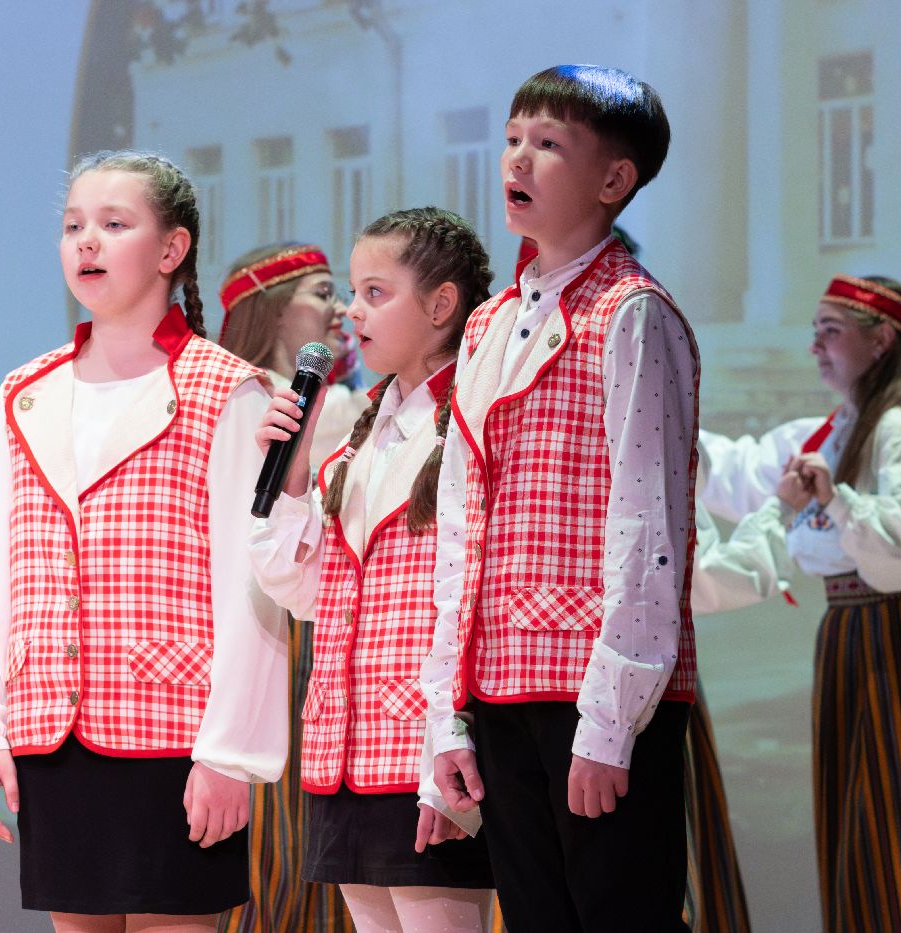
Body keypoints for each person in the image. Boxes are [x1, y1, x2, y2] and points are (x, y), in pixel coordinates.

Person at [0, 150, 288, 933]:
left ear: (172, 248)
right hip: (53, 731)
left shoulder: (225, 388)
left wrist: (229, 752)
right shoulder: (26, 391)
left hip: (176, 733)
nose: (86, 241)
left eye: (113, 223)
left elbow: (250, 587)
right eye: (74, 225)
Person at [419, 65, 699, 931]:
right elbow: (460, 523)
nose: (518, 158)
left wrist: (611, 721)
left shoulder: (632, 313)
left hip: (595, 689)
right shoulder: (489, 322)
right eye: (512, 139)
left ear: (614, 179)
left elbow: (649, 523)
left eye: (547, 143)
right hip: (498, 684)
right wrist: (445, 713)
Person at [250, 207, 496, 932]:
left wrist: (452, 743)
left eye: (375, 293)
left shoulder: (476, 426)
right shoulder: (360, 441)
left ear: (442, 304)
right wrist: (293, 475)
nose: (352, 311)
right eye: (353, 292)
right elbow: (301, 591)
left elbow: (474, 598)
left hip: (429, 755)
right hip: (347, 751)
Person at [699, 273, 901, 932]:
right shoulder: (835, 429)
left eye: (830, 332)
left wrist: (839, 500)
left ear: (881, 340)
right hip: (851, 633)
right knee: (861, 809)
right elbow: (743, 471)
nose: (815, 347)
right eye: (813, 333)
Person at [214, 241, 360, 933]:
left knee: (310, 845)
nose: (342, 310)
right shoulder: (251, 403)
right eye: (323, 293)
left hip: (312, 630)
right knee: (273, 848)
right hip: (267, 631)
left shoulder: (339, 405)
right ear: (271, 309)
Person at [219, 242, 369, 473]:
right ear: (276, 310)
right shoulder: (252, 397)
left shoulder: (240, 390)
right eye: (323, 294)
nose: (342, 309)